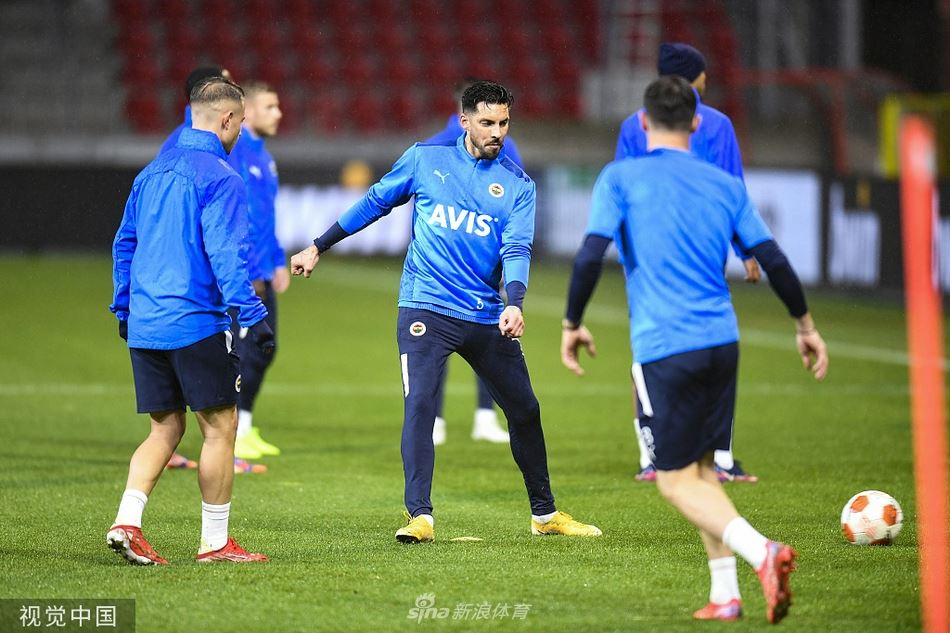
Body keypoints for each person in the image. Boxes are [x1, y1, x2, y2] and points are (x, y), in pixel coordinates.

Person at [561, 76, 828, 622]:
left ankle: (763, 552)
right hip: (722, 343)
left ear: (643, 122)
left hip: (666, 346)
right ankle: (725, 594)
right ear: (697, 123)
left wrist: (572, 322)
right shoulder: (724, 184)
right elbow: (773, 260)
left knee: (675, 482)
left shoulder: (621, 177)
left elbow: (590, 255)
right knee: (704, 471)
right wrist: (804, 326)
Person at [290, 80, 601, 544]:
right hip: (426, 307)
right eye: (487, 122)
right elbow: (376, 202)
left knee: (526, 410)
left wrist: (514, 303)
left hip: (484, 314)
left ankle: (544, 515)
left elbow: (517, 249)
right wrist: (318, 245)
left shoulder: (518, 185)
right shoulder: (425, 159)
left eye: (504, 123)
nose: (497, 132)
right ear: (464, 121)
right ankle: (420, 516)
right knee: (420, 403)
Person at [108, 77, 273, 565]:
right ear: (226, 119)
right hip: (195, 320)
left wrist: (124, 307)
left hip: (146, 322)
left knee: (164, 430)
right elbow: (226, 254)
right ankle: (215, 543)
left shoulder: (151, 172)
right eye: (240, 123)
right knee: (220, 427)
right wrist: (253, 315)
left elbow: (124, 244)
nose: (240, 132)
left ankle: (127, 522)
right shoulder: (222, 177)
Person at [616, 42, 760, 483]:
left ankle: (652, 457)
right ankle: (720, 459)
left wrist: (629, 256)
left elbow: (622, 191)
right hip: (702, 255)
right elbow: (733, 188)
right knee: (713, 350)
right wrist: (746, 250)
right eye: (702, 72)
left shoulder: (633, 124)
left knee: (648, 354)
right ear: (694, 77)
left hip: (649, 259)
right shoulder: (717, 124)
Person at [423, 77, 521, 446]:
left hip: (442, 262)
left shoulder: (433, 144)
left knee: (438, 342)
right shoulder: (501, 148)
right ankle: (484, 416)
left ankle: (437, 421)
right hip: (484, 262)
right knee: (487, 336)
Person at [226, 80, 289, 461]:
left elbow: (267, 218)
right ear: (247, 111)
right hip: (246, 272)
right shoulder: (237, 152)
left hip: (263, 267)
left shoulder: (263, 156)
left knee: (263, 348)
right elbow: (240, 218)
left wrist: (277, 260)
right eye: (270, 106)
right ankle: (231, 432)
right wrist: (251, 271)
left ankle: (244, 428)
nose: (278, 113)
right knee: (245, 352)